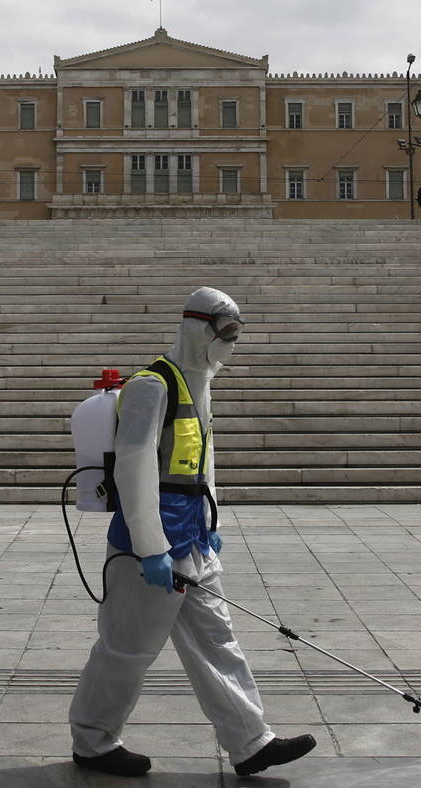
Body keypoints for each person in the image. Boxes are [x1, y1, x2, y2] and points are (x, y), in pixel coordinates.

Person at [70, 287, 316, 779]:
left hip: (194, 540)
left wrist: (211, 524)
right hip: (151, 546)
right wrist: (151, 548)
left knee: (217, 640)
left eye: (236, 335)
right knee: (127, 648)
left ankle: (250, 742)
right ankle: (93, 742)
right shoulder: (151, 386)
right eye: (225, 334)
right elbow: (134, 468)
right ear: (198, 329)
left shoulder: (199, 385)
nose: (230, 344)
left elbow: (201, 467)